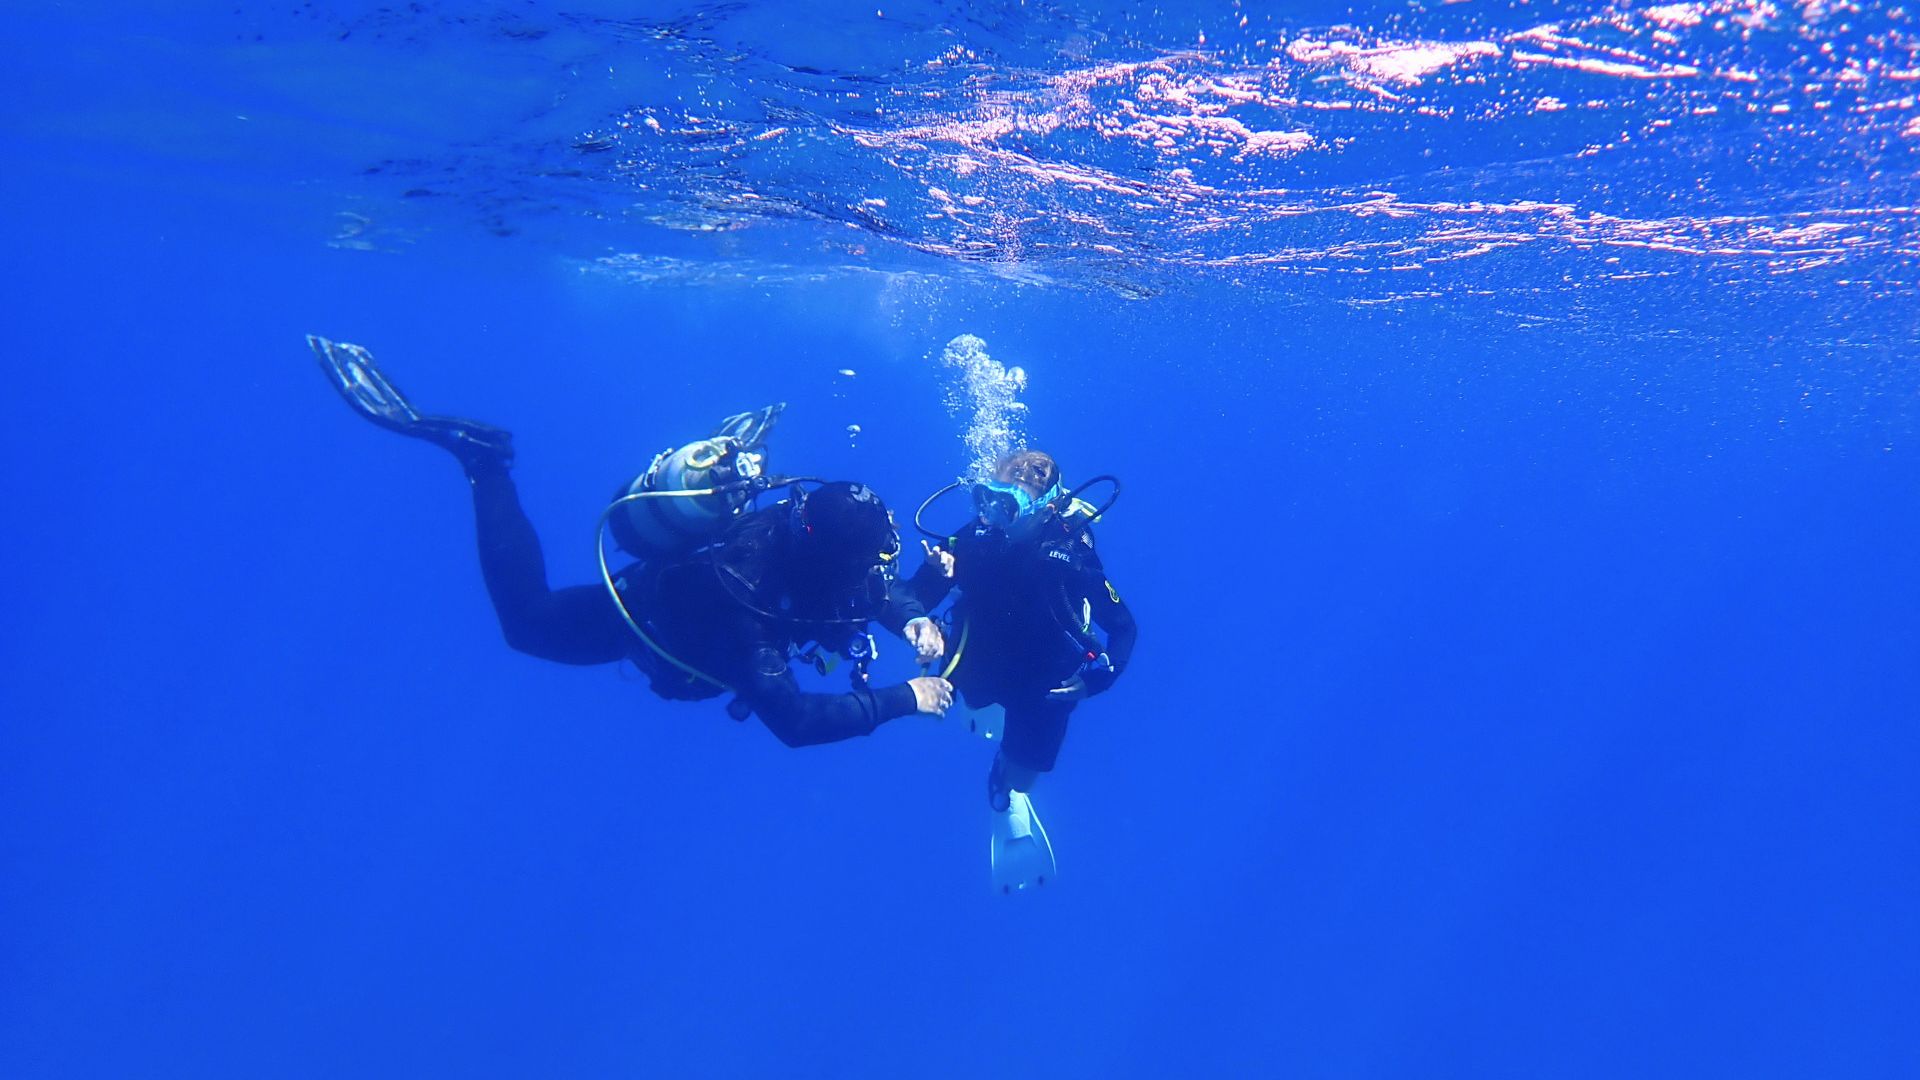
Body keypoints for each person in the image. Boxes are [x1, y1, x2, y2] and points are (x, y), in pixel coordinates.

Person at [307, 335, 954, 747]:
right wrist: (907, 698)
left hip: (702, 592)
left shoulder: (807, 539)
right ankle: (484, 464)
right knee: (526, 625)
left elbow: (871, 588)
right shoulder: (747, 608)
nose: (876, 573)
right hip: (642, 616)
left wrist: (915, 618)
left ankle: (720, 460)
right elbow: (797, 723)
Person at [911, 449, 1138, 891]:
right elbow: (915, 597)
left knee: (1020, 780)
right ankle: (984, 711)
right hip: (980, 661)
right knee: (972, 698)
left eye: (1039, 474)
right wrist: (921, 625)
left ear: (1051, 503)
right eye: (1012, 474)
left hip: (1046, 680)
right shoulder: (971, 539)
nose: (1027, 471)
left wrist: (1097, 681)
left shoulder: (1071, 550)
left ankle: (1003, 781)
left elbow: (1124, 628)